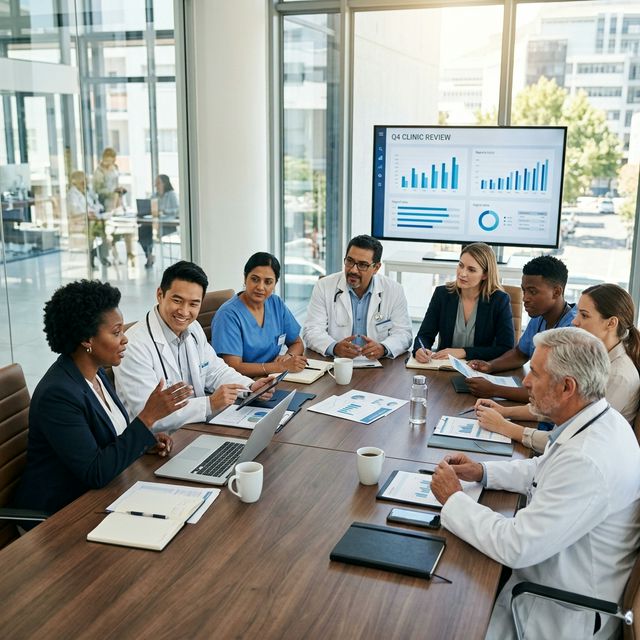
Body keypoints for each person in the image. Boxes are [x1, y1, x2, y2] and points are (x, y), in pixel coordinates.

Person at [431, 327, 640, 640]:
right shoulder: (597, 419)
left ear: (567, 387)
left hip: (553, 608)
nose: (525, 380)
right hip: (552, 574)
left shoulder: (588, 460)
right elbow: (542, 469)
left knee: (436, 615)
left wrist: (454, 499)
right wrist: (483, 471)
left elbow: (516, 546)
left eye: (536, 374)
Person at [11, 280, 191, 527]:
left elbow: (106, 439)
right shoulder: (58, 394)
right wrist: (147, 417)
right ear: (87, 339)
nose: (125, 339)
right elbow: (95, 472)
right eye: (116, 332)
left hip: (99, 497)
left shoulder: (95, 373)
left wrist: (144, 442)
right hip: (57, 519)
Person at [114, 260, 274, 434]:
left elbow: (215, 371)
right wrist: (209, 404)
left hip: (195, 429)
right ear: (160, 294)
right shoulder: (133, 345)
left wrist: (250, 387)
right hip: (155, 445)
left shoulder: (193, 327)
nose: (184, 312)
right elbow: (149, 415)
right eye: (177, 300)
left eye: (193, 304)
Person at [476, 284, 640, 452]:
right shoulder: (593, 356)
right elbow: (558, 405)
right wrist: (505, 412)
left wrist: (506, 428)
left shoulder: (619, 376)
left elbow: (570, 440)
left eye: (584, 315)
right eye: (577, 313)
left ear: (611, 323)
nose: (575, 321)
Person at [465, 255, 576, 402]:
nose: (525, 298)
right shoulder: (539, 317)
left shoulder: (573, 329)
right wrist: (490, 366)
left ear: (556, 292)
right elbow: (520, 354)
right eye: (524, 290)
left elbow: (551, 393)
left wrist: (494, 390)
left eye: (533, 291)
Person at [302, 234, 412, 359]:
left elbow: (403, 334)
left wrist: (383, 348)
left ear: (376, 268)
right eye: (350, 261)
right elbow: (311, 330)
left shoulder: (394, 290)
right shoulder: (324, 286)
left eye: (362, 265)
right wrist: (334, 347)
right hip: (337, 363)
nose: (353, 270)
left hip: (380, 364)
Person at [412, 243, 514, 362]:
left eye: (471, 270)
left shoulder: (499, 300)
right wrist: (420, 349)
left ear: (485, 275)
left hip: (480, 370)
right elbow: (424, 336)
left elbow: (506, 348)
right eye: (461, 265)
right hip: (443, 367)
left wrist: (464, 352)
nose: (462, 273)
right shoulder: (442, 294)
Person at [212, 252, 306, 377]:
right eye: (255, 279)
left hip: (272, 378)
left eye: (268, 282)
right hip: (243, 385)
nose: (260, 287)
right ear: (245, 278)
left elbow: (297, 343)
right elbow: (233, 367)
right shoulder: (228, 315)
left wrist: (288, 357)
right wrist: (279, 366)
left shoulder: (276, 303)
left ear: (275, 284)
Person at [93, 147, 135, 265]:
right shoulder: (99, 171)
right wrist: (112, 191)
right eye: (108, 159)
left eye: (112, 159)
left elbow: (116, 182)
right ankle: (110, 256)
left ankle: (128, 254)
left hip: (118, 201)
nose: (110, 162)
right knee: (109, 231)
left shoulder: (115, 168)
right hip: (107, 202)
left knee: (123, 228)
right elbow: (98, 190)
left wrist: (119, 190)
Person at [67, 170, 111, 268]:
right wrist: (88, 213)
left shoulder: (87, 192)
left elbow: (98, 205)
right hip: (79, 223)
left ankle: (98, 253)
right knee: (98, 228)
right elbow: (74, 212)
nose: (85, 183)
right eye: (83, 180)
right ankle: (95, 254)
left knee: (104, 227)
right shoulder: (72, 194)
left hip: (92, 220)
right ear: (76, 182)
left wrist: (94, 211)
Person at [139, 174, 180, 269]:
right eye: (155, 183)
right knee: (142, 231)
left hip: (168, 225)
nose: (156, 185)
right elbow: (150, 208)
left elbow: (177, 210)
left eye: (158, 183)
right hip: (154, 224)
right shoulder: (154, 195)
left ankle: (150, 256)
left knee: (150, 233)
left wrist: (165, 211)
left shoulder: (171, 194)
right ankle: (149, 255)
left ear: (164, 183)